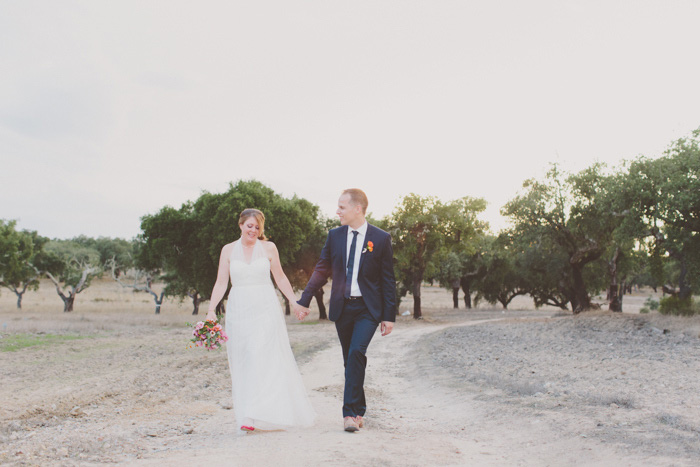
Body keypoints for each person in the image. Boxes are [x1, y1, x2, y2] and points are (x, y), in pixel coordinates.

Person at [294, 188, 397, 432]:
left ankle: (349, 415)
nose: (337, 211)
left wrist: (388, 316)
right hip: (343, 307)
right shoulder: (335, 235)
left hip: (368, 309)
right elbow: (321, 269)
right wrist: (305, 299)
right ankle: (359, 409)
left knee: (355, 354)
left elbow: (387, 279)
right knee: (350, 360)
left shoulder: (380, 238)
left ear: (357, 209)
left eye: (342, 207)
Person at [206, 208, 316, 433]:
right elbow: (220, 283)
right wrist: (210, 311)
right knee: (245, 357)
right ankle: (250, 412)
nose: (253, 230)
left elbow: (280, 277)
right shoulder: (227, 250)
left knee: (259, 354)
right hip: (239, 309)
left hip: (265, 307)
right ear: (240, 225)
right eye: (249, 226)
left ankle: (253, 414)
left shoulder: (269, 248)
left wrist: (294, 302)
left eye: (257, 227)